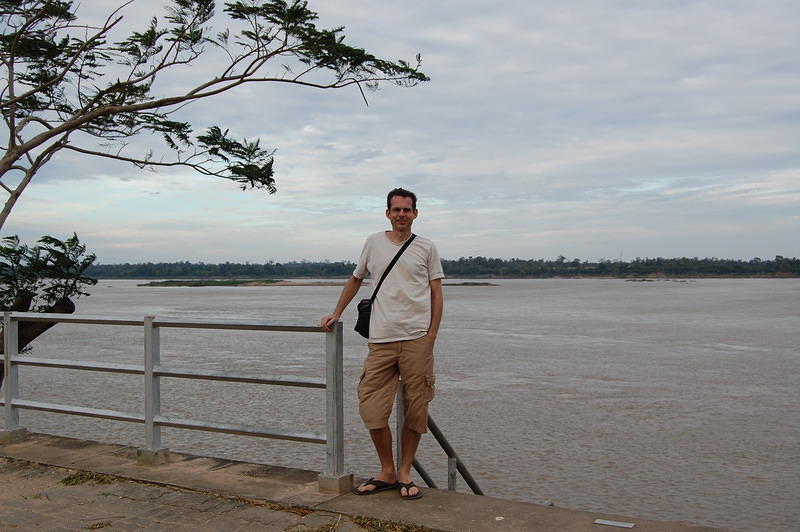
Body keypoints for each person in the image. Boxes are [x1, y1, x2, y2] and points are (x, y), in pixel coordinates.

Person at [320, 187, 444, 500]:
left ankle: (404, 472)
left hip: (417, 338)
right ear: (387, 213)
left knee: (416, 408)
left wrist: (431, 335)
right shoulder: (373, 243)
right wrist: (336, 313)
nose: (402, 214)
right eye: (396, 209)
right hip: (381, 339)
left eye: (407, 209)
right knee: (372, 407)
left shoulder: (426, 247)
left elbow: (436, 293)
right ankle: (387, 470)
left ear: (416, 213)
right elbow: (356, 279)